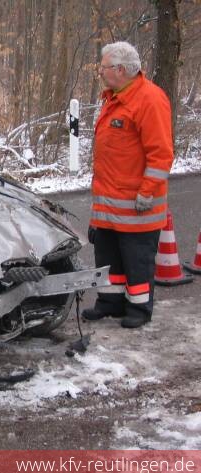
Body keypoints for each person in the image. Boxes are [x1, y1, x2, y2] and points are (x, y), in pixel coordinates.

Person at [83, 41, 174, 329]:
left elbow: (161, 154)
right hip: (108, 205)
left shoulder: (149, 99)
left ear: (120, 70)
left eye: (104, 67)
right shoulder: (114, 98)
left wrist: (147, 192)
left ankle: (138, 308)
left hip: (136, 206)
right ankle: (110, 303)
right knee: (108, 258)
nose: (100, 72)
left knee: (136, 261)